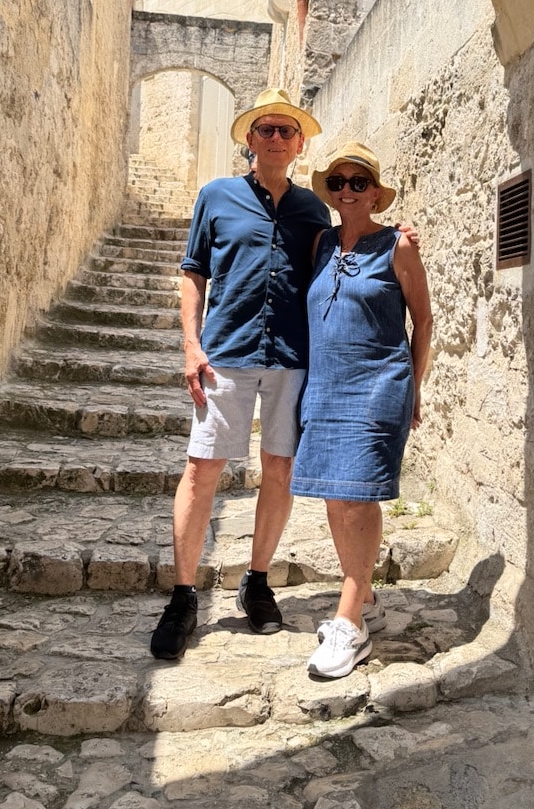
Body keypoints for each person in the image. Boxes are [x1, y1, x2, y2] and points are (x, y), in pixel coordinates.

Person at [150, 88, 328, 659]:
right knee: (202, 469)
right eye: (265, 129)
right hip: (225, 352)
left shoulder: (313, 210)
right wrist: (190, 344)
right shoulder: (216, 196)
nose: (275, 138)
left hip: (292, 356)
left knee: (280, 468)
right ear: (249, 139)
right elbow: (193, 272)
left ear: (299, 144)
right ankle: (182, 597)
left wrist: (393, 241)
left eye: (285, 131)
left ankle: (257, 581)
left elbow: (334, 267)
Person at [291, 142, 433, 680]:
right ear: (329, 193)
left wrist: (414, 386)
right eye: (337, 183)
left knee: (357, 495)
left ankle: (350, 623)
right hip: (325, 387)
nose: (347, 191)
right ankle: (365, 593)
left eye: (358, 182)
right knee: (335, 494)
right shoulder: (321, 243)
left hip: (377, 387)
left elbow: (423, 319)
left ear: (375, 192)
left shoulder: (399, 245)